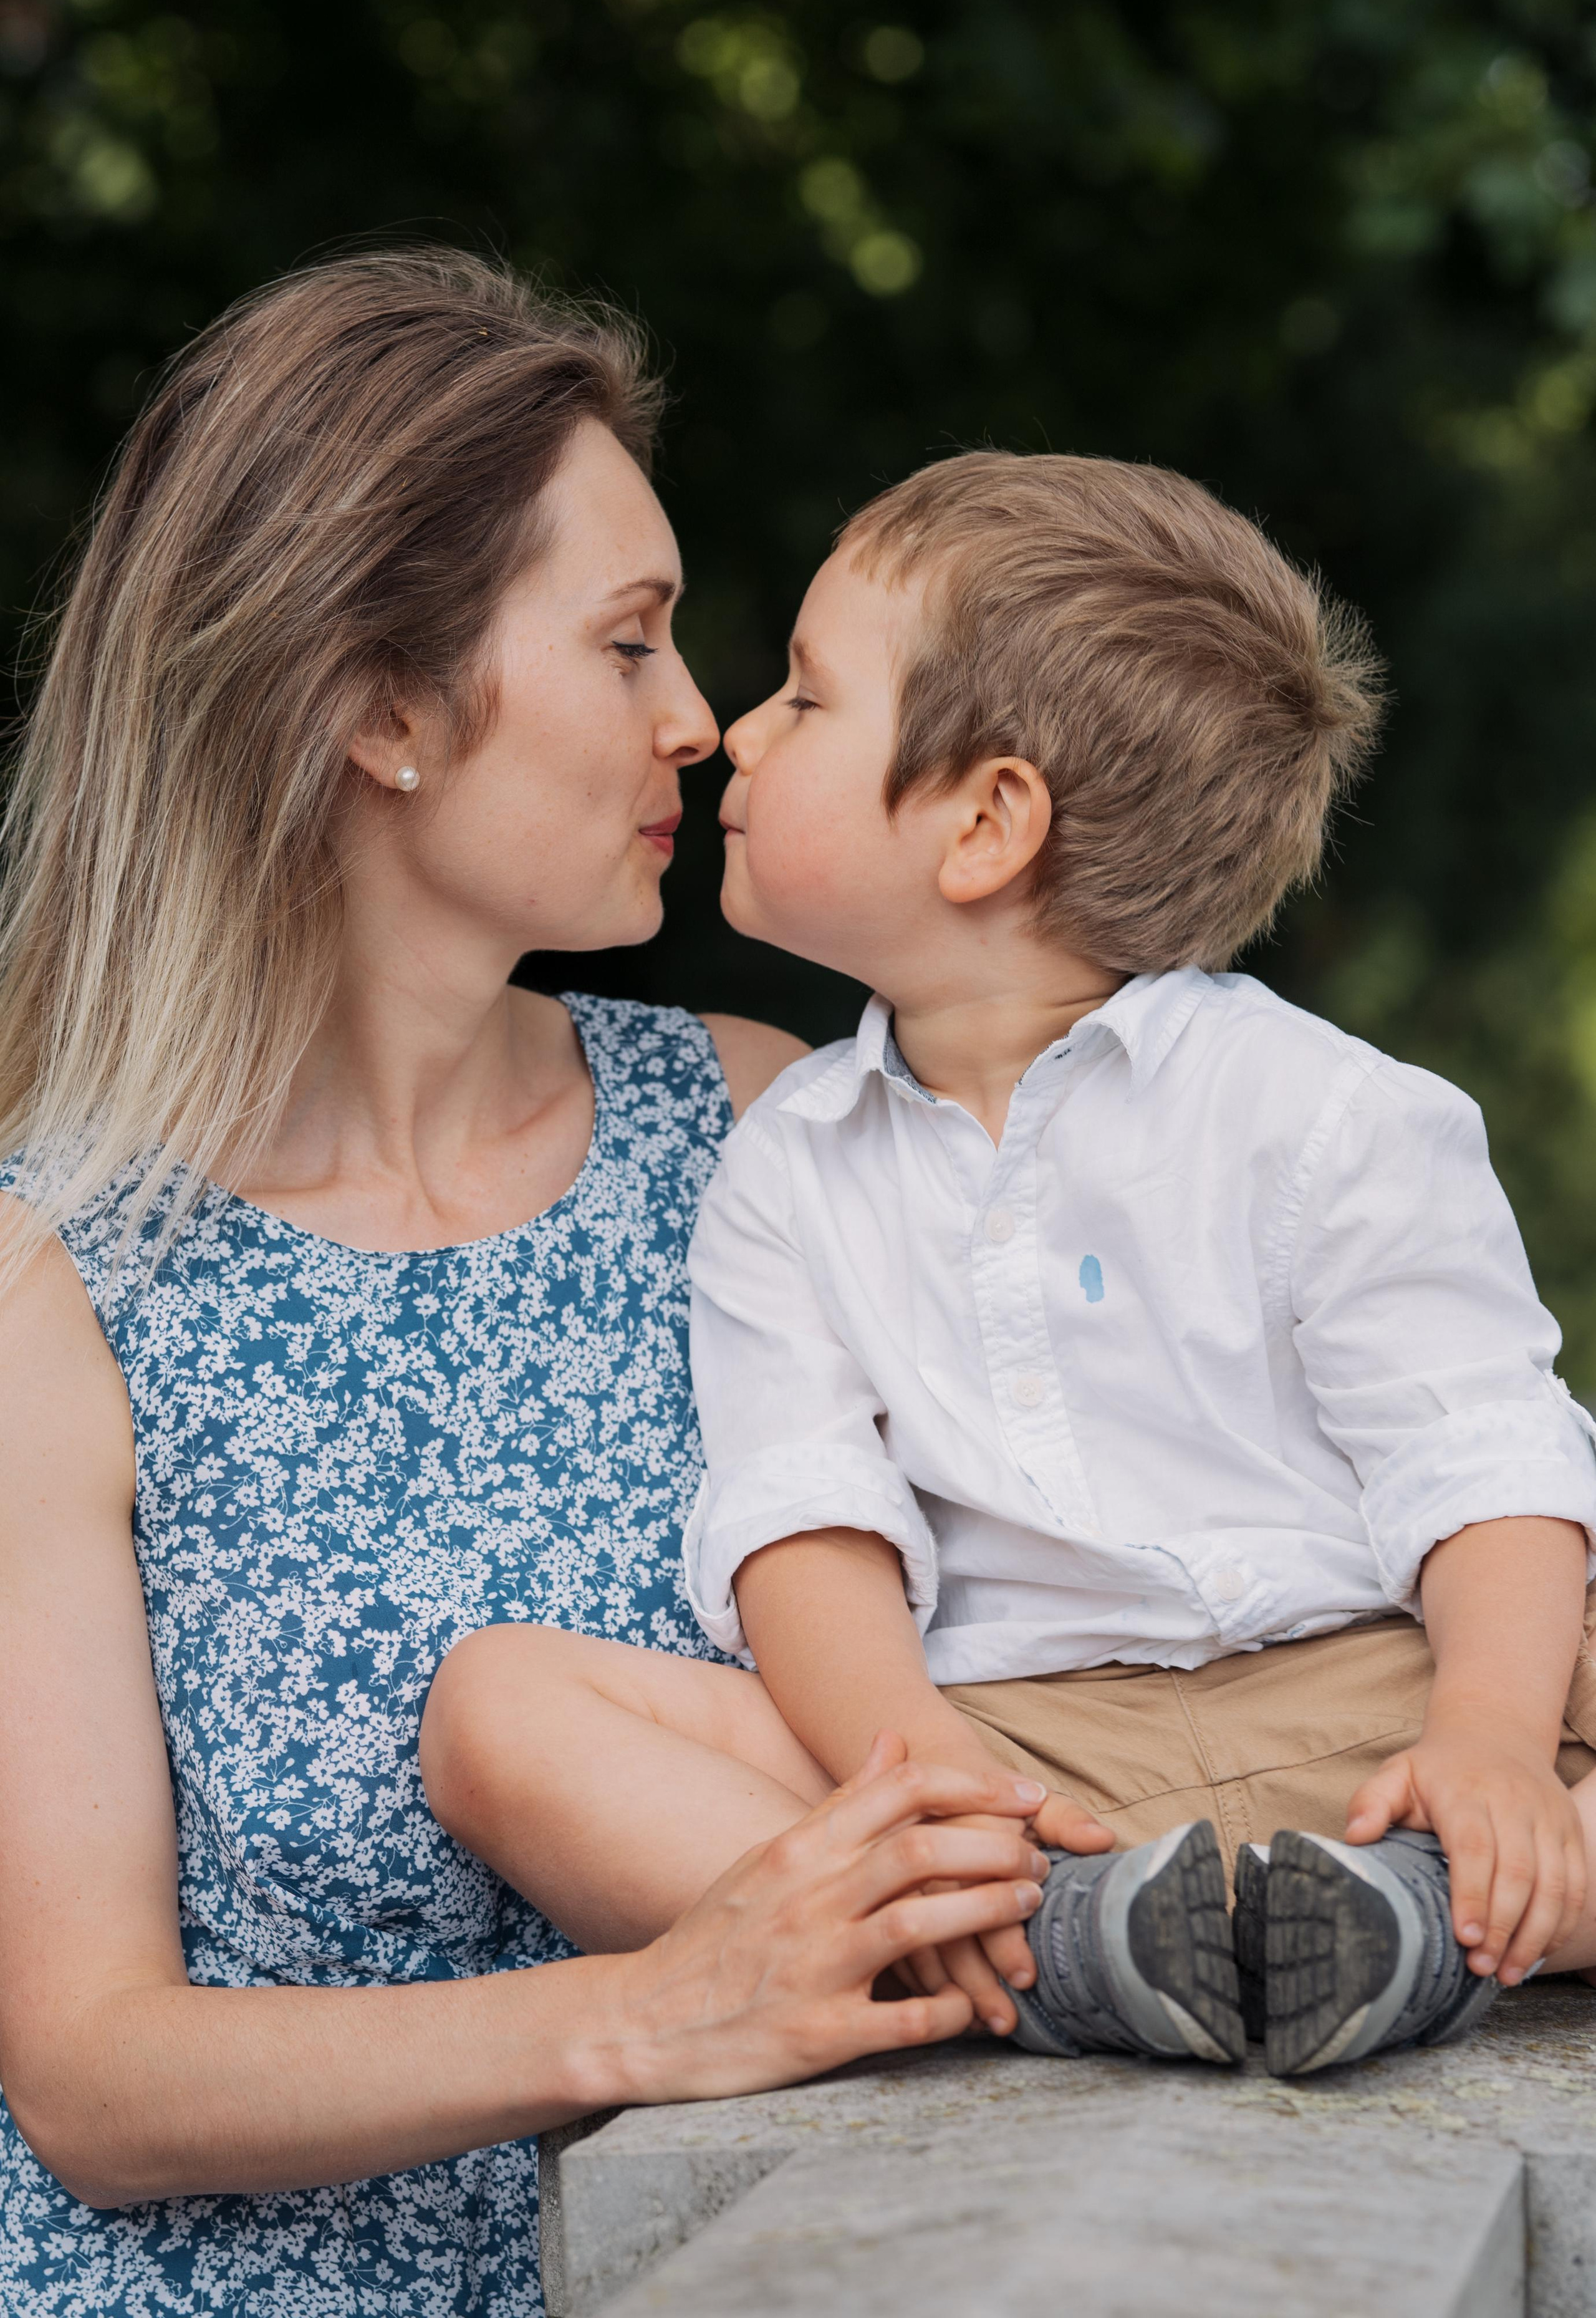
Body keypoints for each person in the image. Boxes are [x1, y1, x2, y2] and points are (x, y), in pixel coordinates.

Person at [0, 252, 1059, 2318]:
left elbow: (1149, 1538)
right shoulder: (53, 1282)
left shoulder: (767, 1139)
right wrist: (650, 2015)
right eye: (631, 640)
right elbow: (93, 2072)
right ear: (383, 707)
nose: (703, 719)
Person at [423, 448, 1596, 2084]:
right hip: (1030, 1757)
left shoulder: (1328, 1114)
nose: (732, 733)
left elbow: (1482, 1461)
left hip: (1385, 1689)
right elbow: (805, 1527)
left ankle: (1451, 1893)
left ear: (985, 823)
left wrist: (1487, 1742)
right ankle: (1061, 1940)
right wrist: (933, 1776)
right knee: (503, 1715)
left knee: (1552, 1679)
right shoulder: (791, 1165)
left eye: (807, 700)